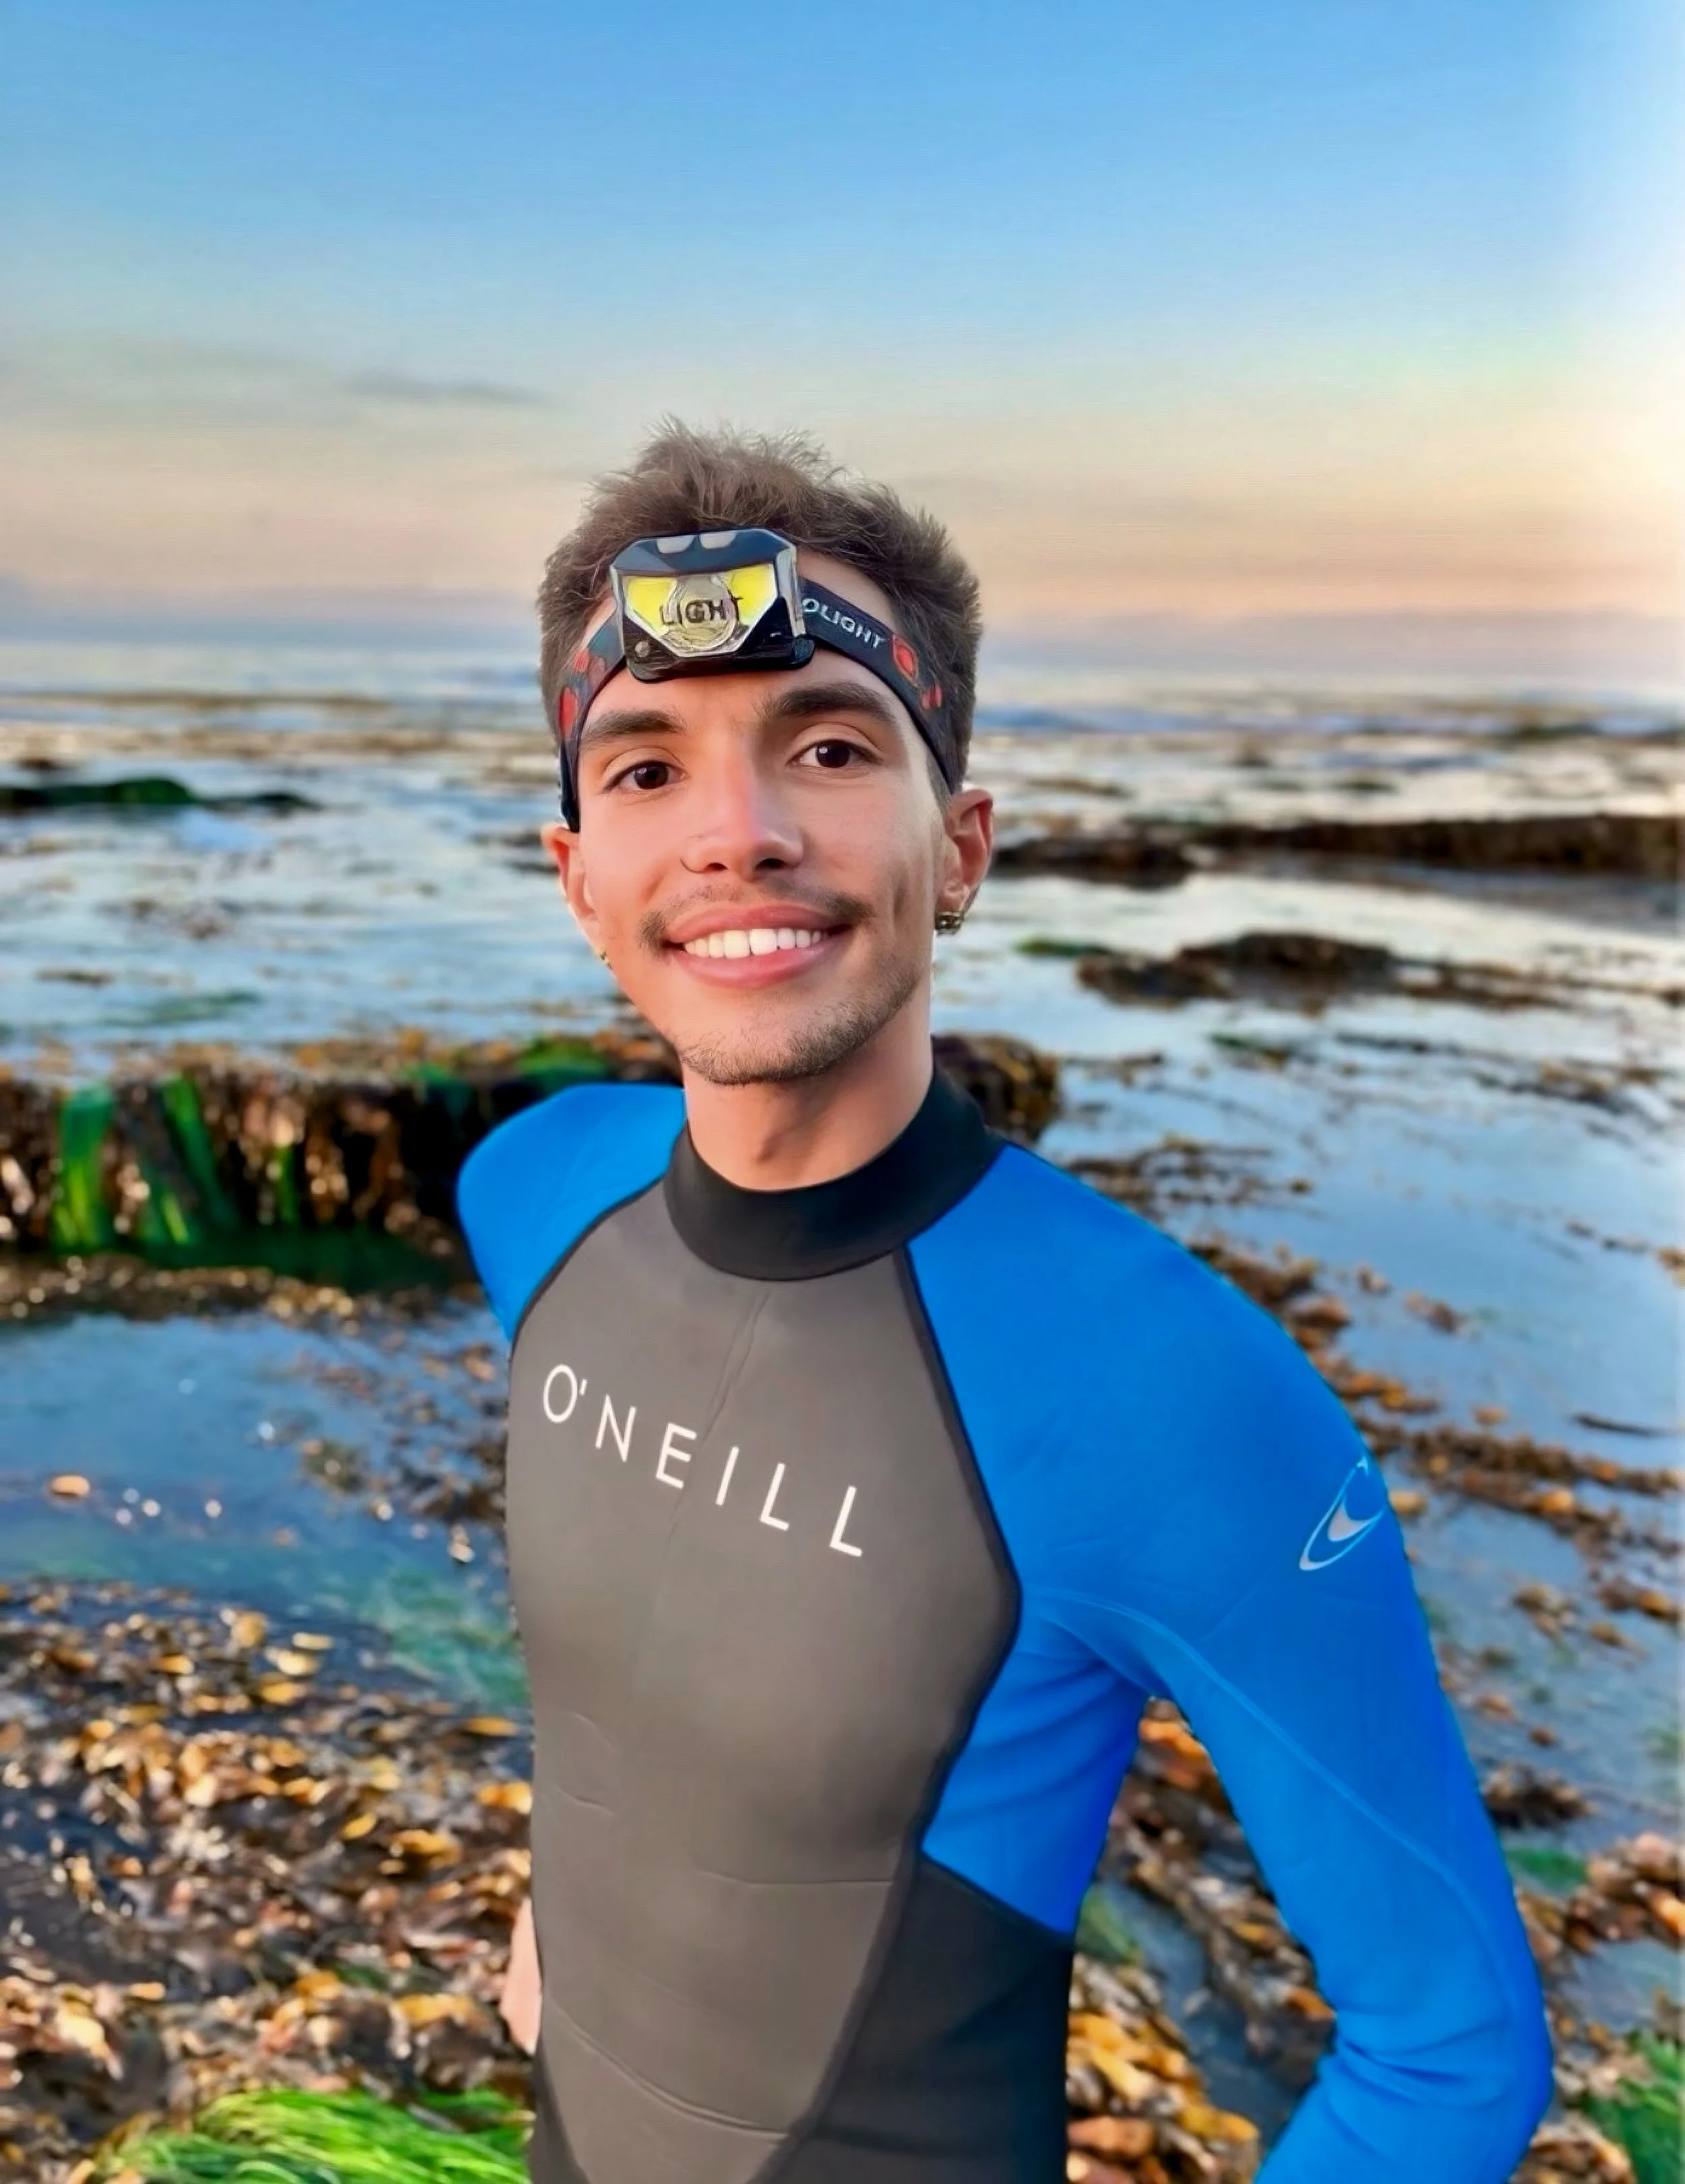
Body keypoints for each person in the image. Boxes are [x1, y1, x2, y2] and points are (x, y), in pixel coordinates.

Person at [456, 426, 1554, 2184]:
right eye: (646, 769)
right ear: (577, 867)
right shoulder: (532, 1193)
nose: (734, 834)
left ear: (956, 844)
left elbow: (1449, 2054)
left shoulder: (1169, 1397)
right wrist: (559, 1930)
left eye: (824, 745)